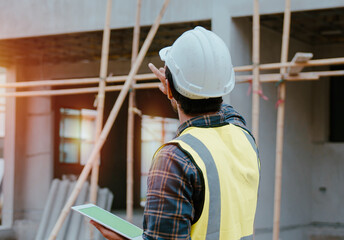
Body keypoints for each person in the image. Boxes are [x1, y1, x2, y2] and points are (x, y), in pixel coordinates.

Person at [92, 26, 260, 240]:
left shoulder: (175, 159)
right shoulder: (243, 135)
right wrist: (179, 88)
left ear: (169, 88)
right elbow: (225, 111)